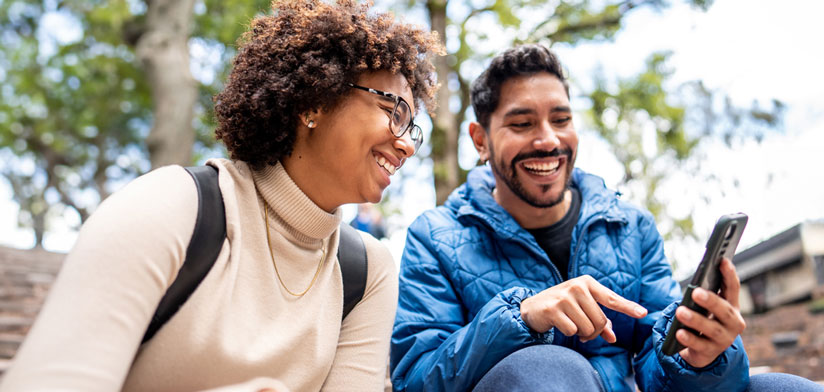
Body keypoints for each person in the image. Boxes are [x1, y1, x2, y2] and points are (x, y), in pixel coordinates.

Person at [0, 1, 441, 391]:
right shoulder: (172, 205)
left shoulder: (367, 274)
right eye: (393, 111)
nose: (405, 144)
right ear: (314, 103)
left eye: (412, 127)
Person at [390, 44, 824, 392]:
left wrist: (699, 355)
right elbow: (416, 379)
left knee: (785, 386)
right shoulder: (434, 237)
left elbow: (657, 373)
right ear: (480, 139)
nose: (548, 140)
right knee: (549, 366)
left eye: (561, 119)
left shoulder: (631, 226)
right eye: (522, 124)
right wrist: (520, 319)